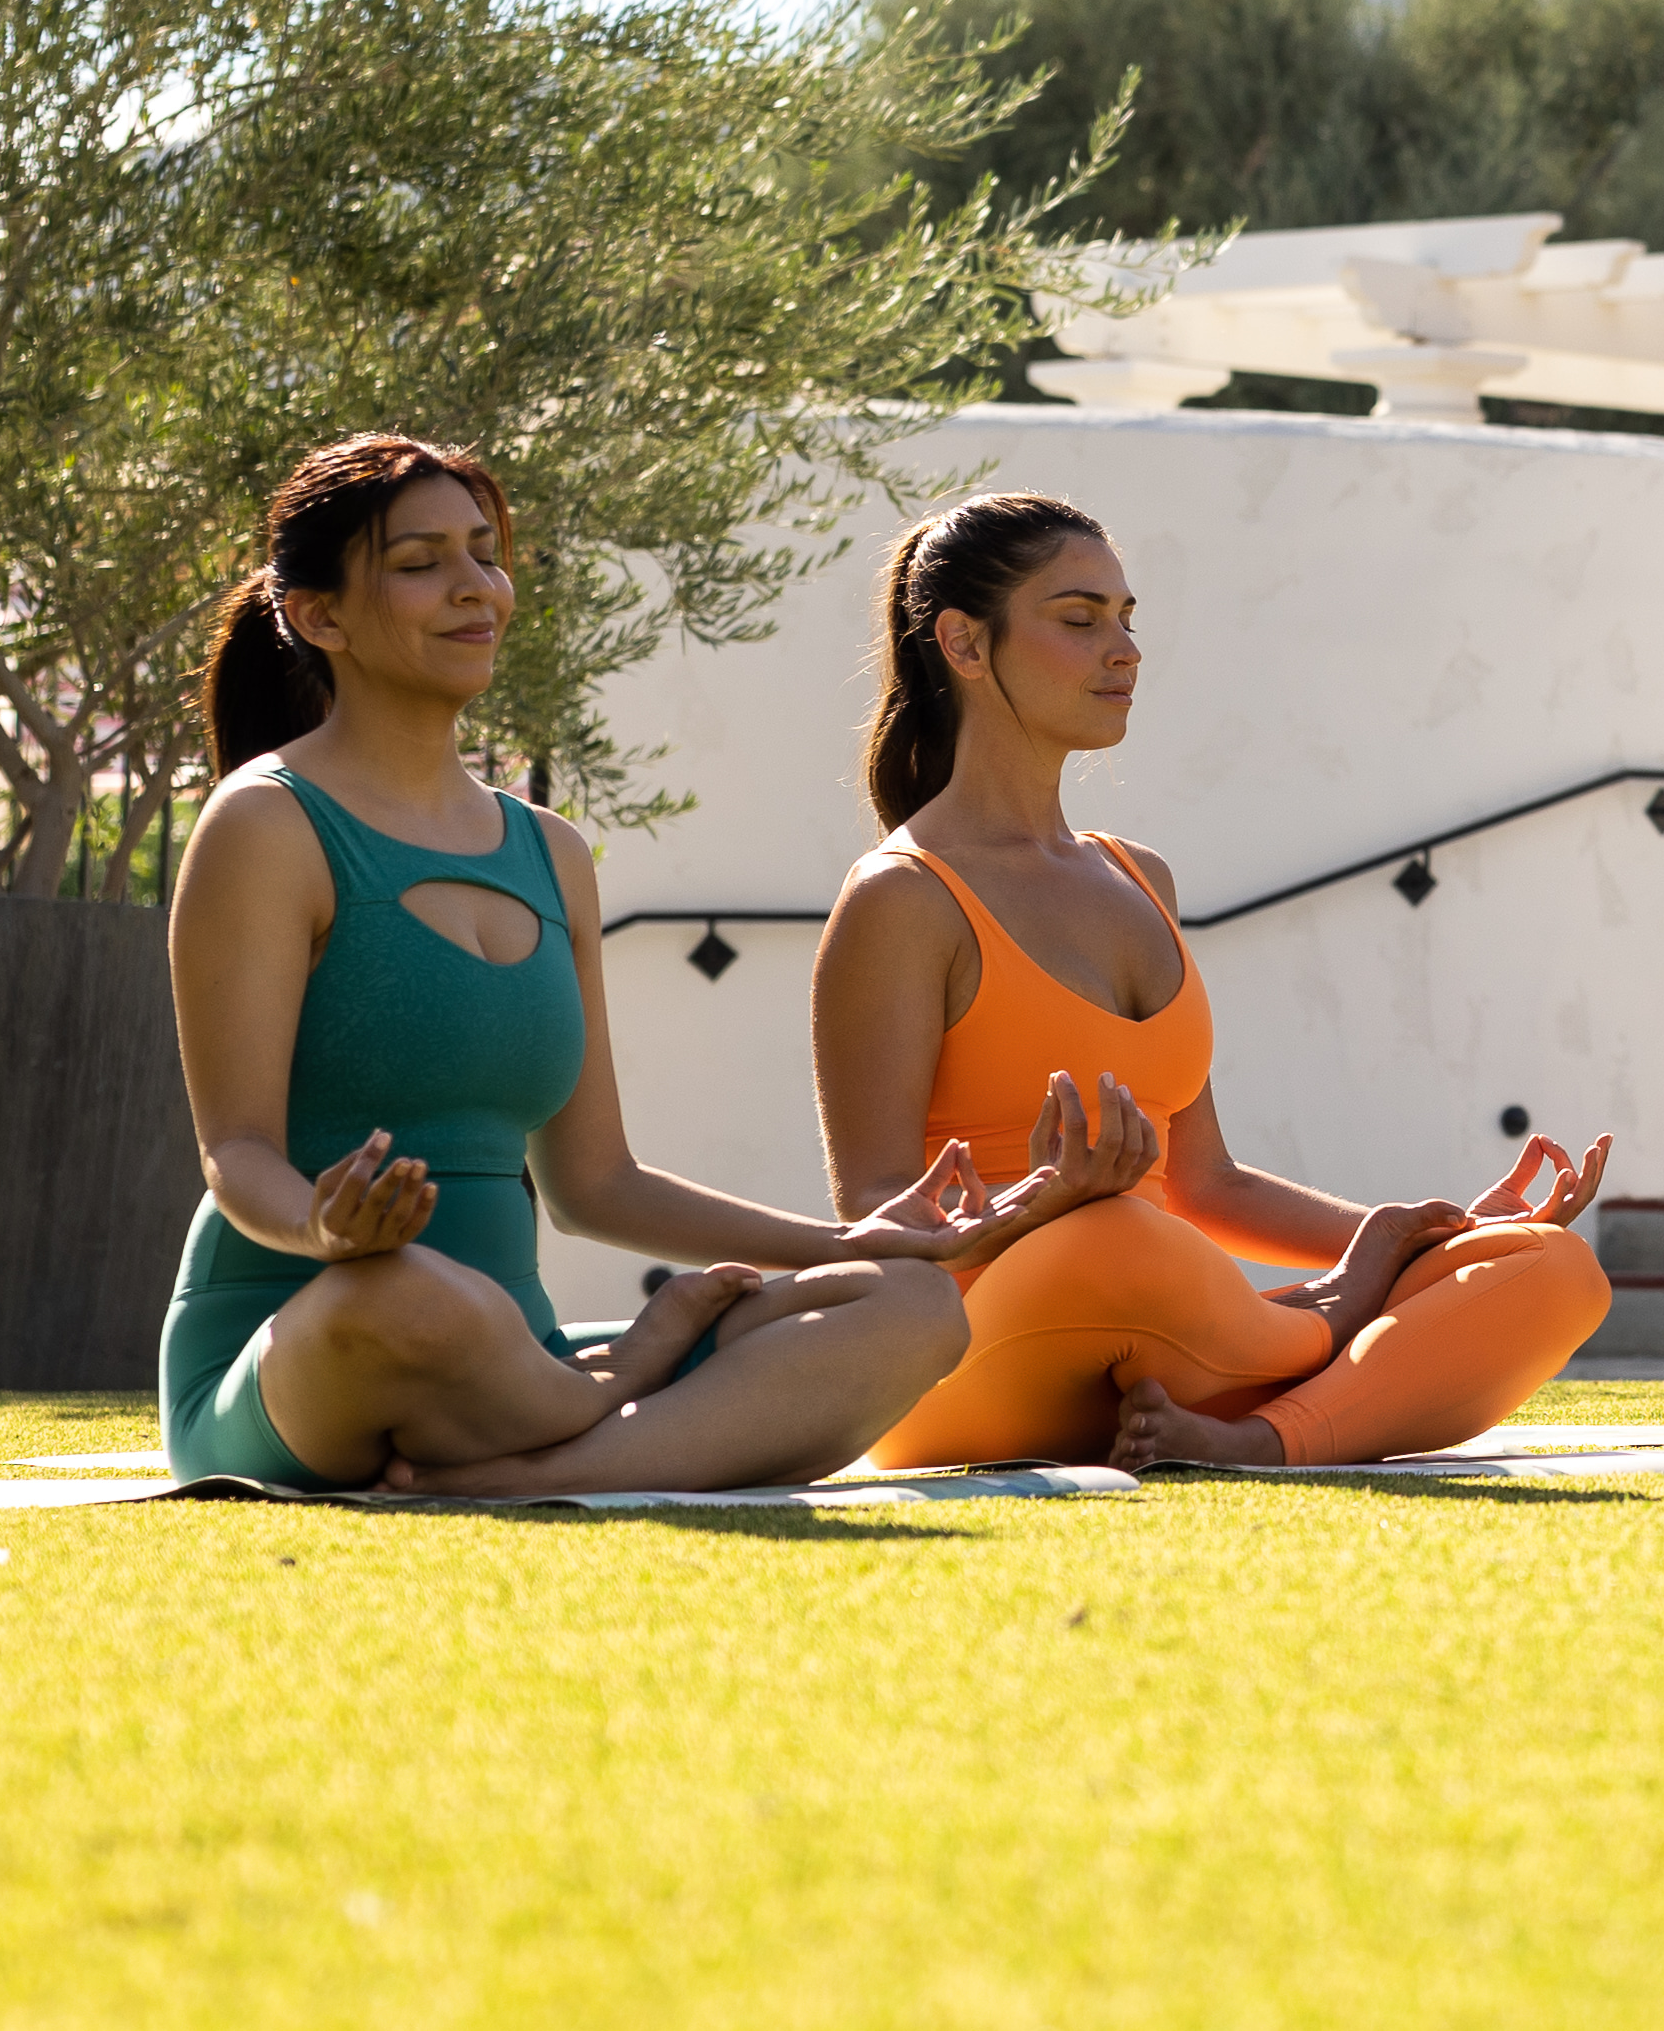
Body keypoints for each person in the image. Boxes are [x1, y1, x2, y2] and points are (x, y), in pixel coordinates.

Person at [161, 436, 1140, 1494]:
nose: (474, 587)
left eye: (485, 553)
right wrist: (323, 1227)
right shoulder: (267, 824)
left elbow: (596, 1184)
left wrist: (855, 1240)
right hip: (310, 1342)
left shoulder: (547, 852)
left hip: (514, 1359)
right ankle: (604, 1398)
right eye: (420, 563)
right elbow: (237, 1152)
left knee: (908, 1305)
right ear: (320, 617)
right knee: (407, 1294)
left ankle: (520, 1467)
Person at [813, 492, 1614, 1471]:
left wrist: (1412, 1236)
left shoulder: (1140, 878)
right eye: (1080, 619)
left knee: (1550, 1268)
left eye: (1126, 618)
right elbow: (873, 1212)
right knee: (1113, 1237)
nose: (1125, 650)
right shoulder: (902, 897)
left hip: (1164, 1336)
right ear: (965, 644)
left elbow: (1206, 1183)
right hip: (972, 1360)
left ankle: (1253, 1438)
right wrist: (1043, 1203)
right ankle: (1327, 1327)